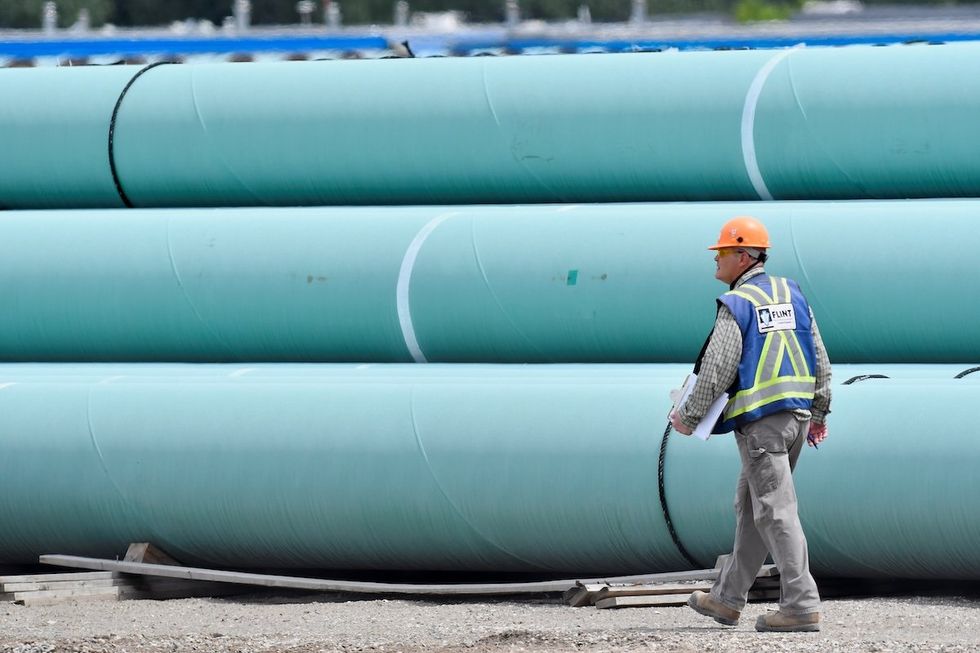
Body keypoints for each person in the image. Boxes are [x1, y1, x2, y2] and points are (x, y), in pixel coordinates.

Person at [669, 215, 831, 633]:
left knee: (776, 511)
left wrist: (687, 417)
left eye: (721, 253)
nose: (716, 262)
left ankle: (800, 603)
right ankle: (727, 598)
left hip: (762, 425)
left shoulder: (738, 303)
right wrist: (819, 412)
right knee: (751, 507)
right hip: (794, 419)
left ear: (743, 256)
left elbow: (719, 365)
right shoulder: (791, 294)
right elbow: (819, 356)